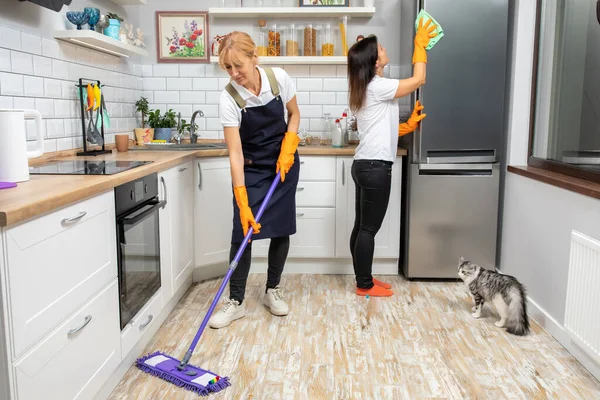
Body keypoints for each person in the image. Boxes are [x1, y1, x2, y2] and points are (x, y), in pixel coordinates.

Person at [208, 31, 301, 329]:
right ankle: (235, 301)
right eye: (228, 69)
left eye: (239, 66)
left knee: (280, 228)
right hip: (251, 167)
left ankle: (273, 289)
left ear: (254, 58)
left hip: (282, 165)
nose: (235, 74)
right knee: (242, 231)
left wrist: (289, 146)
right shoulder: (229, 97)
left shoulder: (279, 79)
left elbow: (294, 114)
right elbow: (234, 153)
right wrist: (241, 198)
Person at [347, 19, 437, 297]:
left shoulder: (370, 86)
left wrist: (406, 126)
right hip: (375, 167)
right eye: (380, 48)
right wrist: (420, 47)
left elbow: (379, 127)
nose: (384, 49)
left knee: (362, 227)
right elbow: (419, 79)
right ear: (374, 62)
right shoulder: (378, 86)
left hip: (364, 164)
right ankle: (364, 285)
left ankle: (364, 278)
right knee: (368, 230)